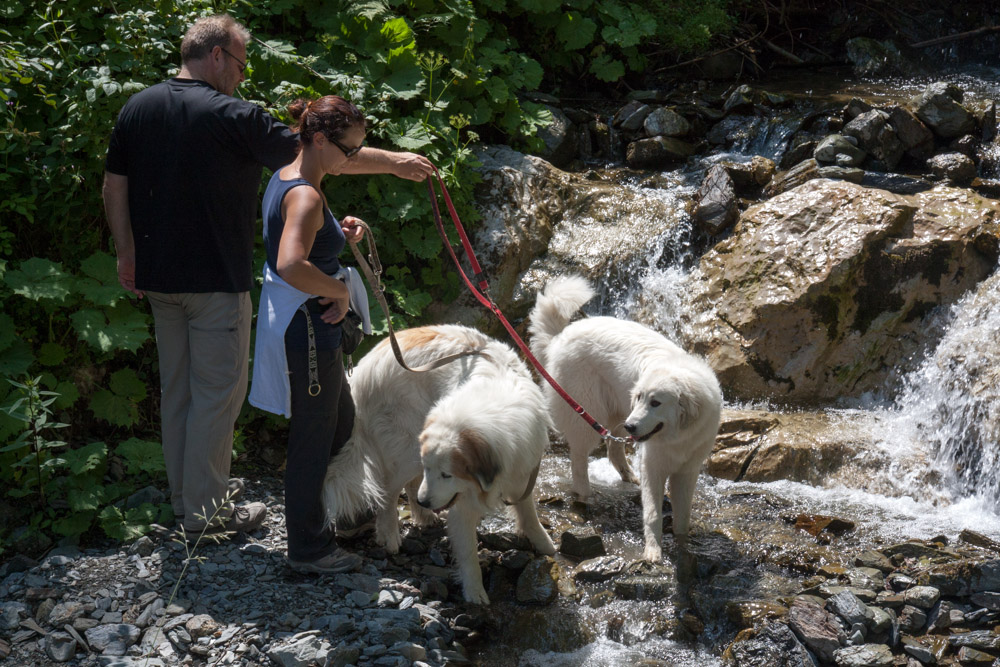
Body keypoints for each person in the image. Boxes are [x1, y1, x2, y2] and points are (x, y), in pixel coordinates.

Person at [102, 14, 433, 540]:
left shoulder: (137, 107)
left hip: (158, 277)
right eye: (239, 62)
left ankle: (188, 502)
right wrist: (394, 162)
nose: (242, 73)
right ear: (215, 56)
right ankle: (205, 517)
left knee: (180, 394)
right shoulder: (231, 114)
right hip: (214, 280)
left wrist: (126, 253)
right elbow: (317, 150)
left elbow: (114, 185)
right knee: (216, 398)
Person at [247, 95, 372, 573]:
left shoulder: (287, 177)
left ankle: (339, 515)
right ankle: (309, 549)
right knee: (312, 436)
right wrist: (338, 294)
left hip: (301, 324)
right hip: (309, 328)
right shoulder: (305, 193)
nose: (352, 160)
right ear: (319, 139)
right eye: (349, 150)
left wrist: (339, 235)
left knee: (340, 421)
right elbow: (289, 262)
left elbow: (301, 240)